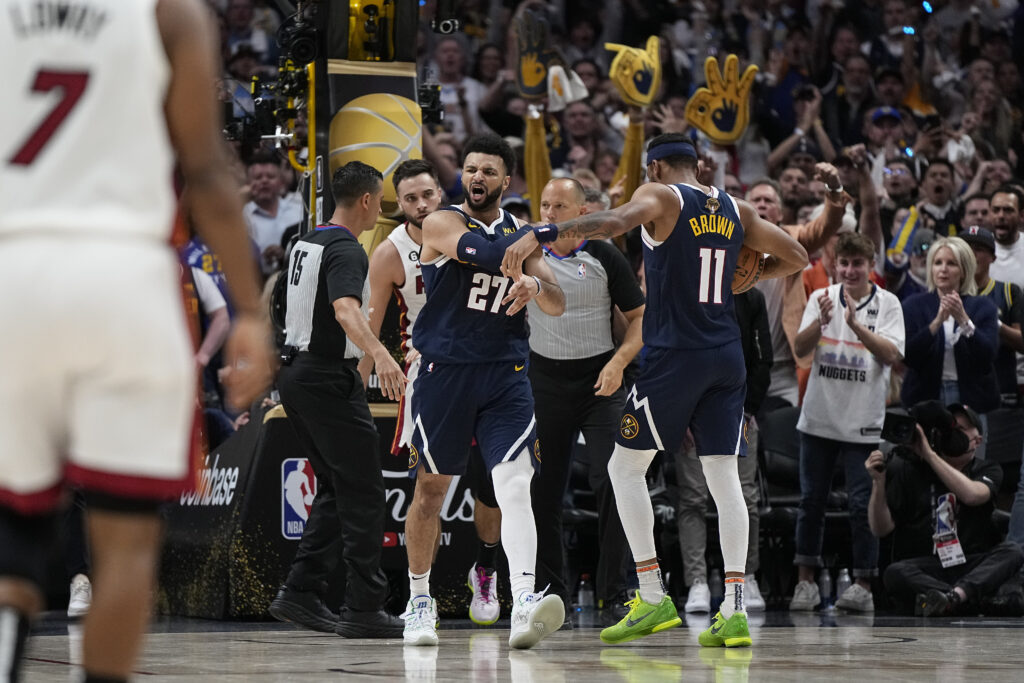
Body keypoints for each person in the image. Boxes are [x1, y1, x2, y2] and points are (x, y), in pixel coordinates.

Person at [0, 2, 274, 681]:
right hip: (127, 274)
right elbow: (207, 170)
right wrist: (248, 308)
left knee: (12, 532)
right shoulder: (169, 12)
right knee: (124, 541)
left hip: (13, 266)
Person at [501, 133, 809, 649]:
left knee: (624, 468)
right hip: (725, 355)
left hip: (676, 356)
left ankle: (650, 594)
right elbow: (797, 255)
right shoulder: (734, 206)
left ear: (657, 167)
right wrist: (754, 275)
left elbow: (616, 222)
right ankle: (733, 607)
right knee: (723, 474)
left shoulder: (664, 196)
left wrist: (546, 229)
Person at [402, 134, 567, 649]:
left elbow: (560, 302)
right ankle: (420, 600)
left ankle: (523, 604)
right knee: (431, 491)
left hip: (505, 374)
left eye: (488, 172)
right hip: (445, 371)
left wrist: (536, 286)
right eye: (470, 169)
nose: (476, 177)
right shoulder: (442, 222)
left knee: (515, 485)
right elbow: (484, 252)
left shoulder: (521, 235)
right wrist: (539, 236)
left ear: (506, 180)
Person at [358, 159, 504, 627]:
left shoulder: (474, 228)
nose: (421, 205)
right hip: (434, 375)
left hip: (493, 369)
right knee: (428, 489)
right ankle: (421, 599)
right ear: (396, 205)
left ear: (442, 193)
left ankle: (486, 567)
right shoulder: (389, 252)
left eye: (427, 195)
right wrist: (363, 378)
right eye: (410, 199)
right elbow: (368, 327)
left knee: (494, 487)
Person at [270, 161, 405, 639]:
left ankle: (301, 592)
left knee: (336, 488)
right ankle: (364, 606)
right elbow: (345, 308)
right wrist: (381, 356)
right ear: (367, 201)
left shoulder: (305, 241)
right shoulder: (348, 247)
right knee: (365, 492)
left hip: (297, 372)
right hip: (327, 378)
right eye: (380, 201)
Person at [527, 177, 645, 623]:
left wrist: (618, 363)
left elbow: (639, 320)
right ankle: (550, 592)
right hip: (544, 383)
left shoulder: (604, 256)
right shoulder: (528, 254)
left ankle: (615, 592)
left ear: (582, 214)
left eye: (560, 205)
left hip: (600, 383)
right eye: (544, 203)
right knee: (544, 491)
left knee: (613, 481)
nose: (550, 212)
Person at [789, 232, 905, 613]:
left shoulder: (887, 303)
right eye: (845, 263)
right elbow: (800, 351)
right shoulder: (820, 298)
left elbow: (891, 355)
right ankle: (805, 581)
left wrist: (857, 328)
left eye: (858, 263)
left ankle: (863, 584)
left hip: (863, 421)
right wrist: (819, 323)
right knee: (811, 502)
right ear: (835, 265)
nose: (851, 270)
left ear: (870, 266)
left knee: (861, 504)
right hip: (819, 417)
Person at [866, 402, 1024, 616]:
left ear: (977, 441)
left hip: (971, 562)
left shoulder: (987, 468)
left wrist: (931, 456)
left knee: (1013, 551)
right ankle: (962, 599)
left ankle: (953, 598)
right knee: (895, 572)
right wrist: (878, 482)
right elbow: (880, 529)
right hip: (929, 566)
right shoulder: (910, 468)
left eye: (960, 430)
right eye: (948, 428)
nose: (951, 434)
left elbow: (973, 495)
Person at [678, 287, 772, 614]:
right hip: (693, 409)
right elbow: (676, 353)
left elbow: (762, 359)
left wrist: (747, 410)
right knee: (692, 497)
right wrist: (681, 413)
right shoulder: (688, 287)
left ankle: (746, 576)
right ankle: (697, 582)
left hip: (740, 410)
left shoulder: (753, 298)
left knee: (745, 495)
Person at [900, 237, 1000, 423]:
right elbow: (908, 356)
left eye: (951, 263)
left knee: (969, 451)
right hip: (925, 398)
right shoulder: (913, 305)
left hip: (971, 400)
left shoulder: (983, 306)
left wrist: (963, 320)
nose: (943, 269)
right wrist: (936, 323)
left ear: (963, 270)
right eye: (938, 263)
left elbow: (988, 355)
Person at [959, 226, 1024, 405]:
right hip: (960, 390)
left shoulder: (1008, 291)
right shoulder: (949, 294)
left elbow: (1021, 343)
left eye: (979, 249)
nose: (972, 255)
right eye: (966, 250)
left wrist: (994, 323)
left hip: (1002, 389)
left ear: (993, 257)